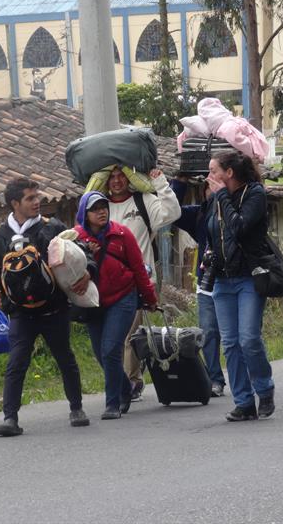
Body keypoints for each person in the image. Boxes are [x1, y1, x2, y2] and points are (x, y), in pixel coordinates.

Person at [0, 177, 92, 436]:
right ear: (14, 203)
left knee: (65, 358)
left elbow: (81, 252)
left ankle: (77, 408)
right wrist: (9, 275)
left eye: (37, 196)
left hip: (54, 310)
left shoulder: (52, 228)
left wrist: (87, 271)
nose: (37, 202)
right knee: (16, 362)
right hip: (21, 313)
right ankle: (10, 419)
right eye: (30, 198)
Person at [205, 150, 275, 421]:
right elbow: (212, 233)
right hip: (223, 279)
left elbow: (240, 227)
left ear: (229, 173)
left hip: (249, 277)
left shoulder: (255, 194)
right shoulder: (215, 200)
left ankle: (264, 389)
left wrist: (221, 196)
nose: (209, 177)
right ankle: (244, 402)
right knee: (231, 343)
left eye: (213, 171)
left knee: (248, 339)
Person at [74, 191, 158, 419]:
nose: (101, 211)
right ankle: (125, 388)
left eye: (104, 206)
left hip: (123, 297)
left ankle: (113, 403)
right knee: (101, 354)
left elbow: (139, 269)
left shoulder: (122, 234)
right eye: (95, 208)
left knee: (111, 349)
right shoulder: (75, 239)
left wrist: (149, 298)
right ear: (84, 213)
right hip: (92, 302)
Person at [106, 166, 181, 400]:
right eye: (112, 177)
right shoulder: (99, 207)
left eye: (121, 176)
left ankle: (131, 381)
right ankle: (119, 380)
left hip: (139, 279)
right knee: (110, 335)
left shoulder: (143, 201)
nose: (117, 181)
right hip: (107, 282)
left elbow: (172, 212)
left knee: (128, 332)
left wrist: (160, 183)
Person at [170, 176, 226, 397]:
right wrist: (179, 182)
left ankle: (246, 375)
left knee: (237, 337)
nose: (214, 191)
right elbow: (171, 211)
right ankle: (215, 379)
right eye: (209, 187)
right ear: (204, 192)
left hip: (234, 282)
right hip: (207, 284)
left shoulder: (238, 212)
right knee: (209, 332)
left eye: (219, 186)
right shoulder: (199, 215)